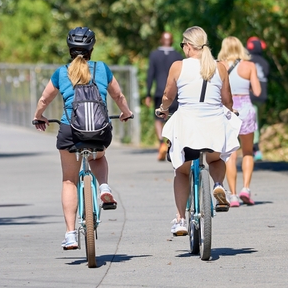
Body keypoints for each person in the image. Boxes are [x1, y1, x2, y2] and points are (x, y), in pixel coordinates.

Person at [33, 27, 134, 251]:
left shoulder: (61, 72)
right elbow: (118, 95)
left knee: (69, 180)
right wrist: (125, 112)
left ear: (69, 49)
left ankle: (70, 234)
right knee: (98, 157)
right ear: (92, 48)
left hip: (70, 130)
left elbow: (44, 99)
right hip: (99, 129)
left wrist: (38, 117)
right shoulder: (102, 69)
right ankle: (104, 186)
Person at [156, 26, 241, 234]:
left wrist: (163, 109)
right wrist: (232, 111)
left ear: (187, 46)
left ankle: (180, 219)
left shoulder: (178, 66)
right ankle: (218, 184)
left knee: (182, 171)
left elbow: (168, 95)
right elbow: (227, 99)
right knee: (215, 159)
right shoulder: (220, 67)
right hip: (213, 124)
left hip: (187, 126)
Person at [217, 36, 262, 207]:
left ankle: (233, 195)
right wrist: (248, 84)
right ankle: (246, 189)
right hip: (246, 110)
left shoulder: (219, 65)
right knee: (248, 152)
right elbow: (257, 91)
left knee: (230, 153)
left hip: (228, 111)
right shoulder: (249, 66)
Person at [144, 32, 179, 161]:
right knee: (173, 117)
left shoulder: (154, 55)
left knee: (158, 118)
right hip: (174, 92)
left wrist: (148, 93)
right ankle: (170, 142)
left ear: (161, 40)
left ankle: (161, 142)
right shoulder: (177, 55)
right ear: (171, 40)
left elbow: (150, 74)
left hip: (159, 91)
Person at [246, 36, 270, 160]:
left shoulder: (247, 61)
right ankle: (254, 146)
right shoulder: (265, 62)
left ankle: (254, 147)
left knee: (253, 123)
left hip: (251, 97)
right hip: (263, 97)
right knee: (256, 121)